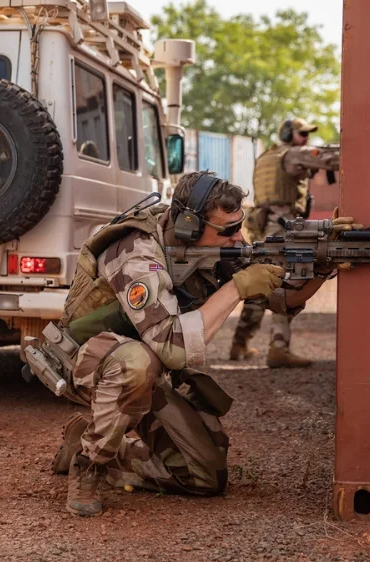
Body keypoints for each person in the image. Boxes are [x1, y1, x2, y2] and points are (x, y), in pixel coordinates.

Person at [49, 171, 351, 516]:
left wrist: (322, 264)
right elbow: (171, 347)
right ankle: (88, 466)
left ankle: (95, 447)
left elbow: (281, 301)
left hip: (150, 369)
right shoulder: (136, 251)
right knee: (136, 362)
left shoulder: (214, 248)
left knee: (204, 477)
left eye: (239, 226)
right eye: (227, 231)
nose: (238, 238)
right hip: (87, 361)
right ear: (188, 227)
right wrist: (235, 288)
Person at [230, 118, 340, 367]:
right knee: (285, 283)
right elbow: (328, 159)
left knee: (261, 284)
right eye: (302, 134)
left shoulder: (267, 157)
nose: (306, 139)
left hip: (263, 227)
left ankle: (239, 343)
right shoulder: (292, 155)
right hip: (282, 230)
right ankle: (278, 349)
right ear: (289, 134)